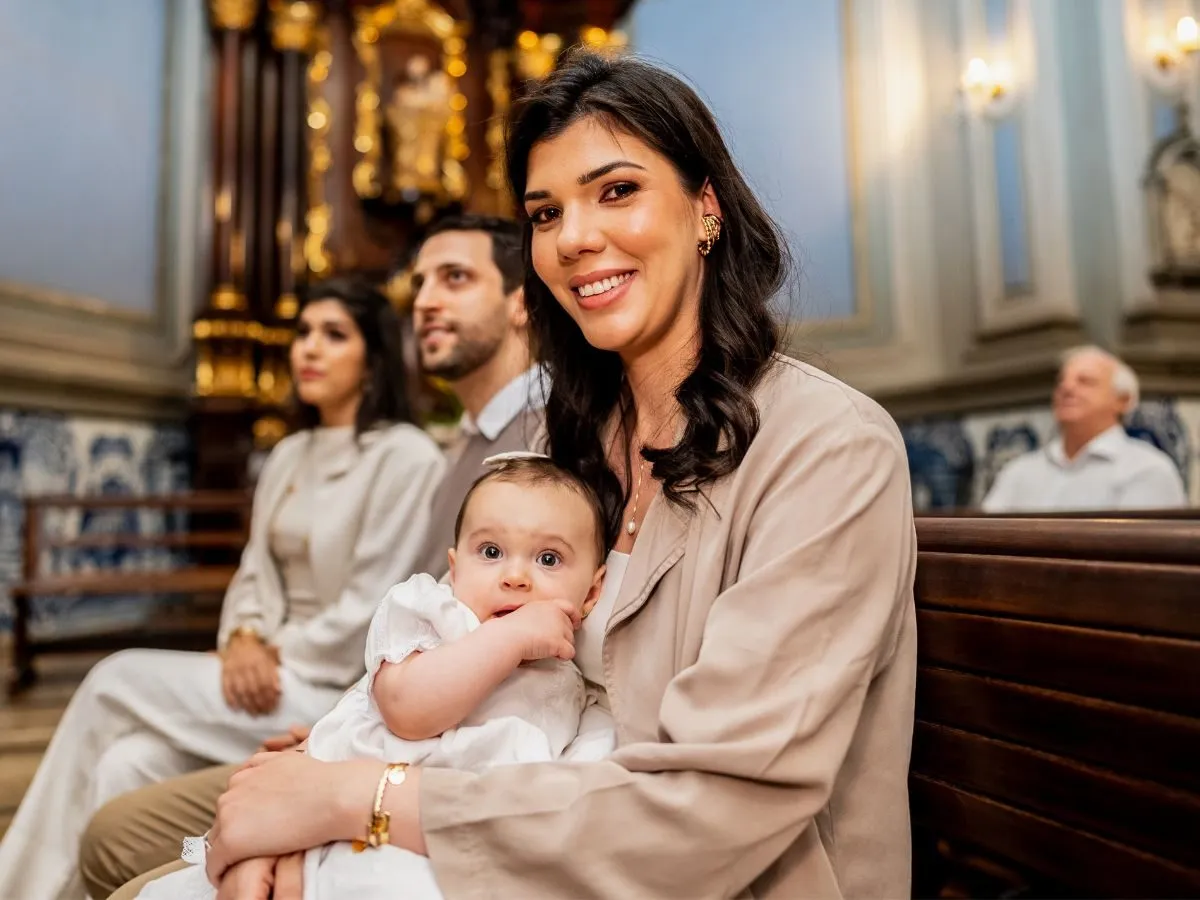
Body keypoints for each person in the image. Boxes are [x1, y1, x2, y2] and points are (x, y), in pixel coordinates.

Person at [132, 50, 918, 900]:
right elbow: (439, 635)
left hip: (710, 874)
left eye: (617, 191)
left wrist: (356, 801)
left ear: (706, 209)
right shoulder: (562, 440)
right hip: (504, 815)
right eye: (547, 213)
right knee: (142, 855)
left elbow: (715, 802)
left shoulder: (828, 449)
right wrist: (313, 789)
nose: (575, 238)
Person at [80, 214, 546, 900]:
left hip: (409, 733)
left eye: (456, 278)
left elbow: (471, 638)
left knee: (115, 685)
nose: (425, 301)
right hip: (356, 707)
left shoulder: (533, 443)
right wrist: (252, 644)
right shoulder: (459, 447)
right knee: (127, 766)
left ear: (519, 304)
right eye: (419, 284)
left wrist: (335, 761)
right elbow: (295, 583)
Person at [0, 277, 446, 900]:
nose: (308, 350)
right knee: (124, 762)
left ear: (373, 362)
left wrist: (270, 653)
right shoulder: (289, 453)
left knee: (113, 679)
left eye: (334, 335)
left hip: (328, 685)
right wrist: (242, 636)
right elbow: (254, 573)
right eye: (303, 334)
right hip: (259, 668)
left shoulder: (407, 456)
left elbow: (370, 605)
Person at [136, 453, 611, 900]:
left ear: (592, 591)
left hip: (432, 843)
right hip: (328, 801)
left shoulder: (578, 691)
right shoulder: (433, 618)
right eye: (490, 551)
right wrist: (510, 638)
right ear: (453, 568)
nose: (515, 576)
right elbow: (408, 711)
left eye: (548, 559)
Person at [983, 345, 1187, 512]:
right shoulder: (1019, 471)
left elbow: (1137, 554)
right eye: (1062, 381)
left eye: (1085, 381)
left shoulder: (1147, 471)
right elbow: (981, 540)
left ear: (1123, 400)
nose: (1067, 388)